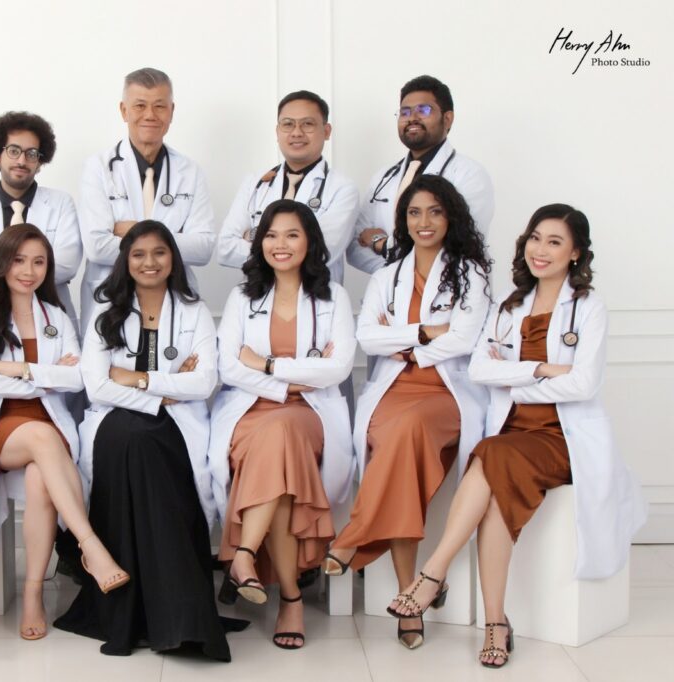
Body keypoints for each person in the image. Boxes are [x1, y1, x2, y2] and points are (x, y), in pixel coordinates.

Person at [384, 204, 646, 667]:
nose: (540, 250)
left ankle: (432, 573)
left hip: (561, 437)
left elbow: (583, 384)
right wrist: (542, 369)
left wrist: (514, 375)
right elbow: (482, 369)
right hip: (511, 432)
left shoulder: (588, 307)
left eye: (555, 242)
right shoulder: (508, 304)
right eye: (535, 238)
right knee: (497, 474)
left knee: (492, 456)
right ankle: (495, 622)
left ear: (576, 253)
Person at [326, 175, 492, 650]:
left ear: (451, 217)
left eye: (435, 212)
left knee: (408, 432)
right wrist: (426, 333)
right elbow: (367, 337)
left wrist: (403, 337)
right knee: (403, 453)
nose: (424, 222)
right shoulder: (385, 277)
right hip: (393, 388)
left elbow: (464, 338)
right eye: (414, 213)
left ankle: (353, 538)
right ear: (403, 221)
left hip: (446, 392)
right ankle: (411, 596)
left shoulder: (472, 274)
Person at [55, 221, 230, 660]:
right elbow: (96, 388)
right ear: (125, 262)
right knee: (134, 438)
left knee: (145, 444)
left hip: (177, 425)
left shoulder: (193, 312)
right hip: (117, 422)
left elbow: (205, 380)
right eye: (138, 255)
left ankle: (162, 613)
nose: (149, 263)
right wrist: (164, 390)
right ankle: (173, 614)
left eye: (159, 253)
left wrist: (137, 379)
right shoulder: (105, 311)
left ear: (173, 258)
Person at [209, 199, 356, 650]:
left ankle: (244, 556)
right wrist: (291, 382)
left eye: (291, 234)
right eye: (271, 235)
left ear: (310, 240)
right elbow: (231, 368)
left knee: (282, 436)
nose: (280, 244)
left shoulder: (334, 297)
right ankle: (291, 597)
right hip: (251, 411)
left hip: (311, 413)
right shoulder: (242, 296)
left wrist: (269, 366)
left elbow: (339, 369)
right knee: (282, 464)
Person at [0, 224, 126, 640]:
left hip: (47, 427)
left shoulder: (55, 316)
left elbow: (77, 379)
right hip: (1, 428)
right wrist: (45, 375)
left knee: (41, 475)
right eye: (19, 260)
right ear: (2, 262)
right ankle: (90, 545)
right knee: (42, 439)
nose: (29, 270)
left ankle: (34, 592)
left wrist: (19, 370)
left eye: (39, 261)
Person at [78, 67, 216, 333]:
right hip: (112, 297)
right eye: (140, 105)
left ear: (172, 112)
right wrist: (169, 241)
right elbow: (96, 246)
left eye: (159, 106)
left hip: (173, 296)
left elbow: (204, 247)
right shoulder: (98, 167)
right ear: (123, 110)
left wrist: (131, 231)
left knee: (169, 371)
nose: (150, 115)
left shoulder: (190, 171)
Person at [347, 75, 494, 276]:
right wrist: (397, 279)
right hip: (387, 299)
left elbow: (456, 244)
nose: (412, 118)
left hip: (449, 298)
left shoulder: (470, 175)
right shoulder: (384, 178)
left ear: (447, 118)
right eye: (405, 112)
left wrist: (379, 243)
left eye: (424, 110)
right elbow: (355, 247)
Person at [0, 112, 82, 329]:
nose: (22, 161)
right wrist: (38, 263)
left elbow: (67, 264)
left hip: (51, 318)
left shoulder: (61, 203)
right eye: (13, 151)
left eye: (31, 154)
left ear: (40, 161)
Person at [217, 90, 359, 284]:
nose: (296, 132)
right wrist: (293, 245)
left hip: (315, 302)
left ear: (326, 131)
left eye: (307, 124)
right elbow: (225, 249)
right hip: (258, 301)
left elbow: (321, 253)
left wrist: (253, 235)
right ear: (277, 132)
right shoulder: (254, 183)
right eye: (288, 124)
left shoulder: (342, 189)